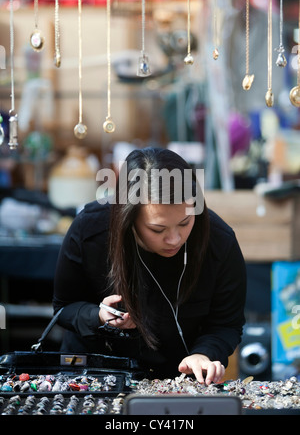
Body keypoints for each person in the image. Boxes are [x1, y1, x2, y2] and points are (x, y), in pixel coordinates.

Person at [53, 147, 246, 385]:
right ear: (128, 217)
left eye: (185, 223)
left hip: (178, 381)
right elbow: (63, 308)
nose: (174, 239)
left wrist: (203, 354)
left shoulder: (219, 241)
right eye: (158, 229)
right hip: (93, 376)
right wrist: (98, 316)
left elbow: (226, 323)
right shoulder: (90, 231)